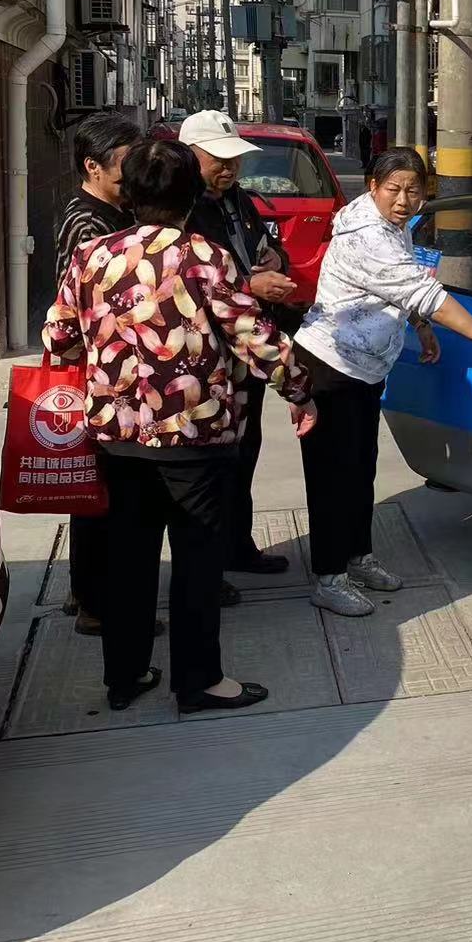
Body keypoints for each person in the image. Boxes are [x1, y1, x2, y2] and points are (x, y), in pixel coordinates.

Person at [43, 139, 317, 713]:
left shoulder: (92, 256)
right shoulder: (205, 257)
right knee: (196, 562)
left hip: (118, 437)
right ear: (191, 195)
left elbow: (58, 338)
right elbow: (252, 336)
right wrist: (299, 390)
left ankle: (125, 676)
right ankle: (198, 681)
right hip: (195, 435)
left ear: (131, 193)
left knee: (128, 560)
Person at [293, 148, 472, 617]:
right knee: (332, 477)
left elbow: (404, 288)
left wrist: (419, 326)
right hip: (330, 365)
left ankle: (356, 557)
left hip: (366, 366)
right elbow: (422, 291)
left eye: (413, 191)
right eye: (393, 189)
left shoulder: (393, 225)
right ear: (372, 187)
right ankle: (329, 578)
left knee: (360, 469)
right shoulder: (366, 234)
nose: (403, 200)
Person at [179, 110, 298, 585]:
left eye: (235, 159)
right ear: (190, 156)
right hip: (206, 355)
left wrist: (275, 263)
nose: (229, 168)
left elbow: (268, 247)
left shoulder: (238, 200)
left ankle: (237, 545)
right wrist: (251, 283)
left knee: (245, 450)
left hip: (248, 348)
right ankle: (208, 568)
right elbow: (190, 283)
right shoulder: (181, 209)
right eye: (218, 159)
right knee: (210, 463)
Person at [54, 110, 143, 637]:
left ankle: (87, 590)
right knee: (98, 496)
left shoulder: (114, 212)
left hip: (111, 377)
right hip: (100, 378)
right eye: (126, 163)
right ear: (94, 166)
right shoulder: (88, 224)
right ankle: (93, 602)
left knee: (101, 493)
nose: (134, 174)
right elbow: (76, 314)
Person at [358, 106, 375, 173]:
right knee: (362, 155)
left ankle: (366, 165)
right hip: (362, 145)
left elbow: (369, 137)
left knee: (366, 155)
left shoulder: (366, 130)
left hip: (366, 145)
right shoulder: (361, 130)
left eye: (361, 124)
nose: (360, 125)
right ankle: (363, 164)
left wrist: (368, 144)